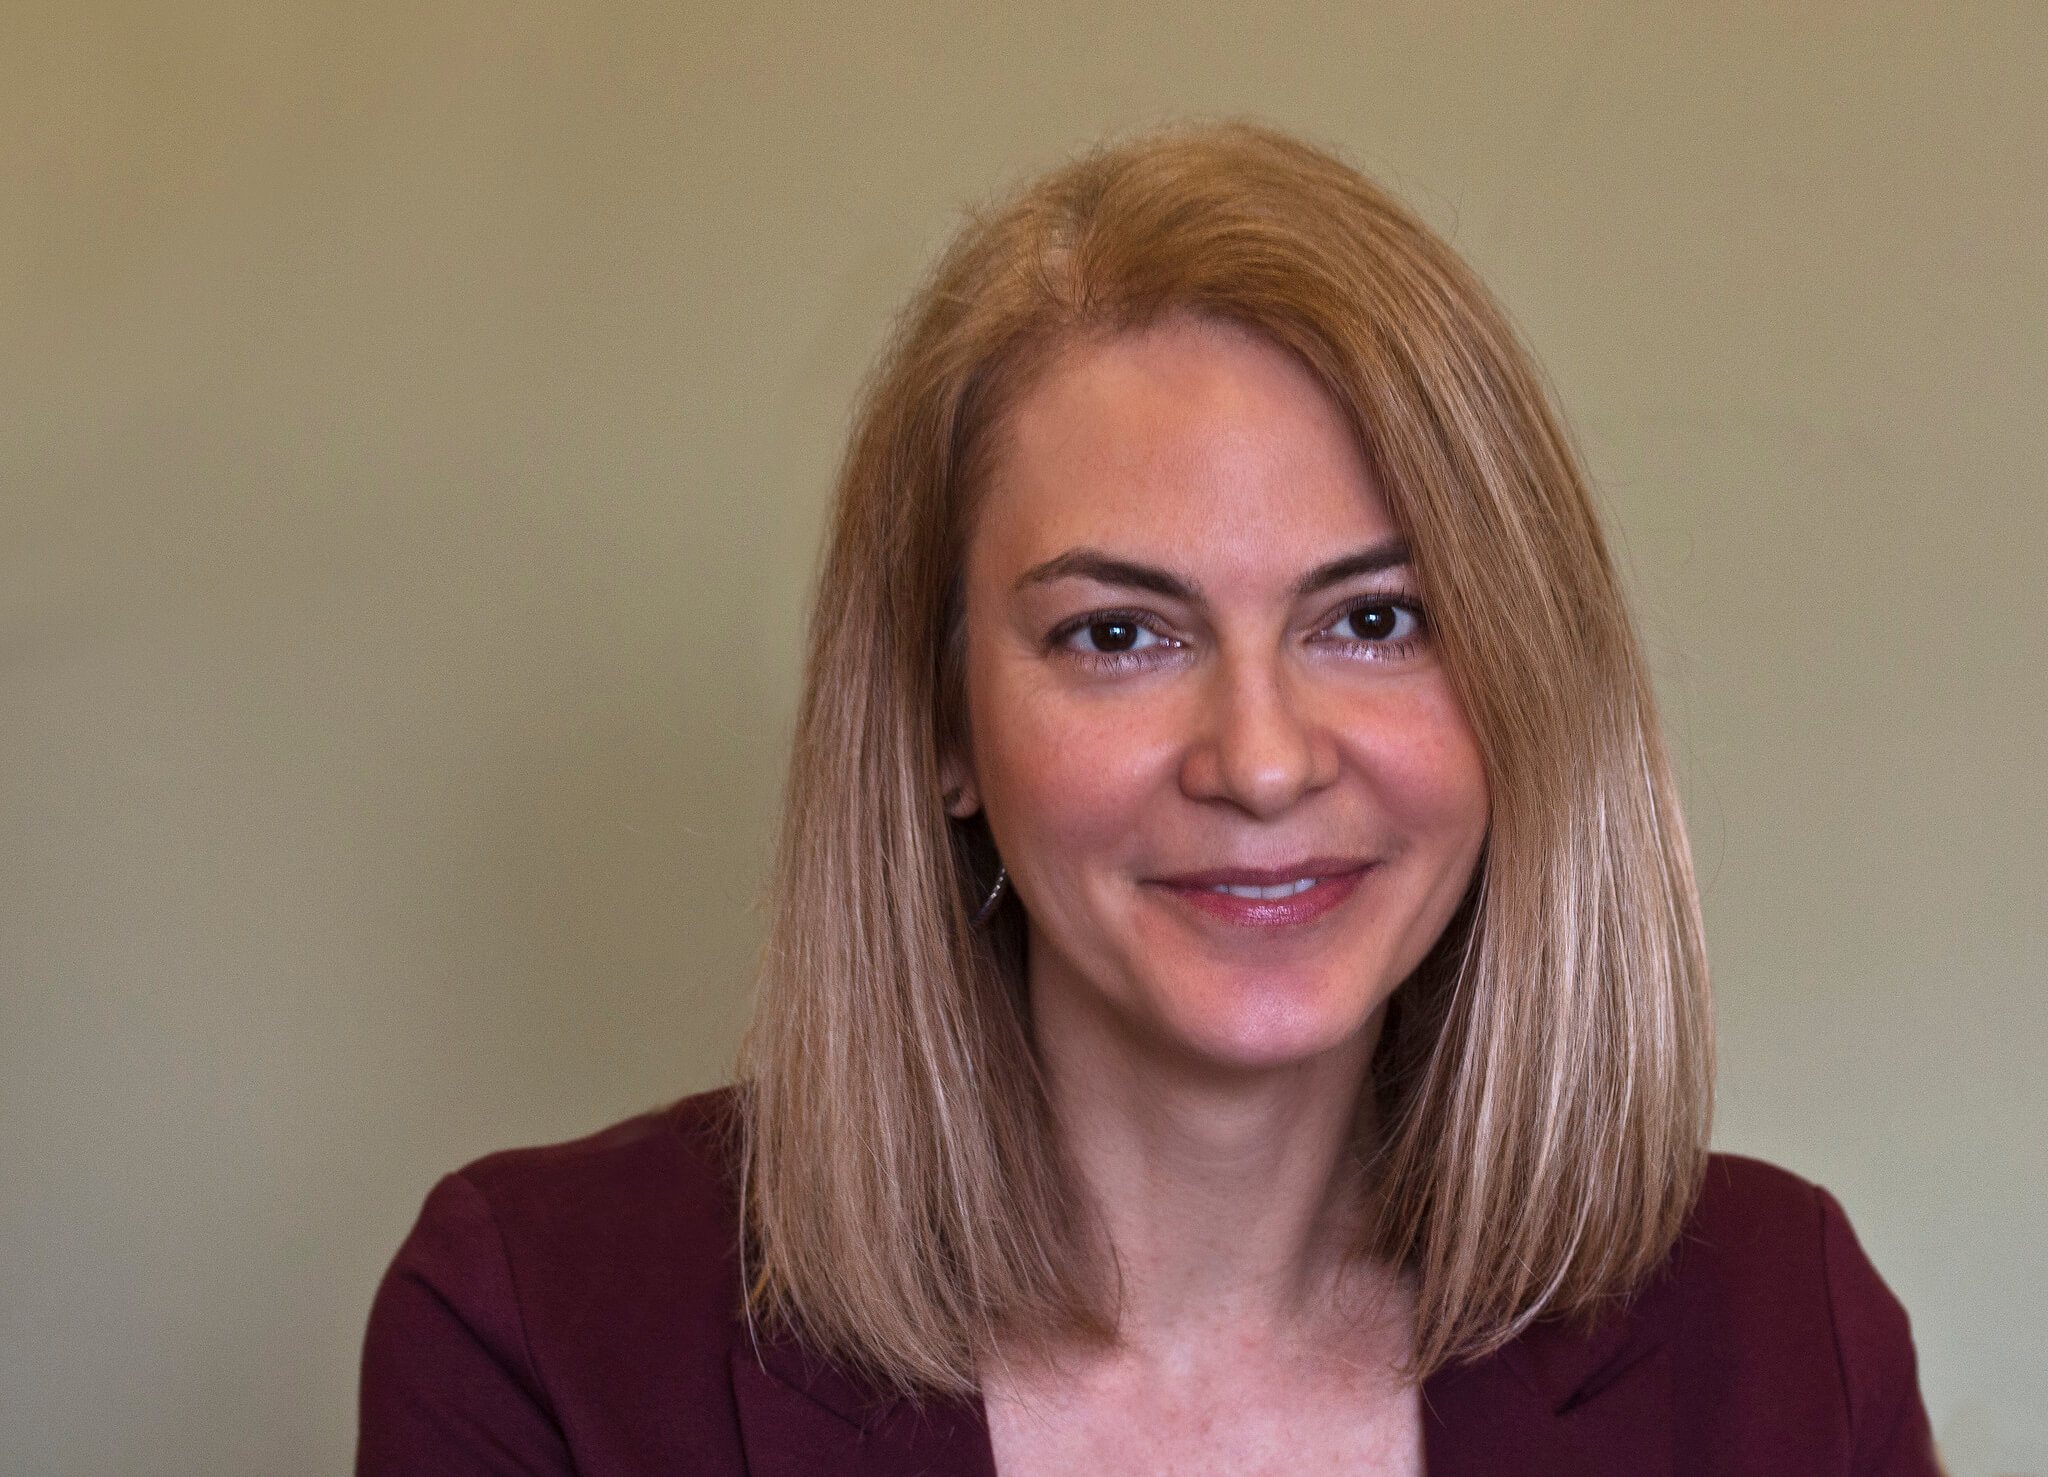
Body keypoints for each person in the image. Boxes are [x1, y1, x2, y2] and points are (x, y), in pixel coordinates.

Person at [357, 123, 1939, 1475]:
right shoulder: (537, 1335)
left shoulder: (1784, 1341)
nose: (1259, 760)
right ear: (941, 726)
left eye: (1374, 619)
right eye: (1117, 633)